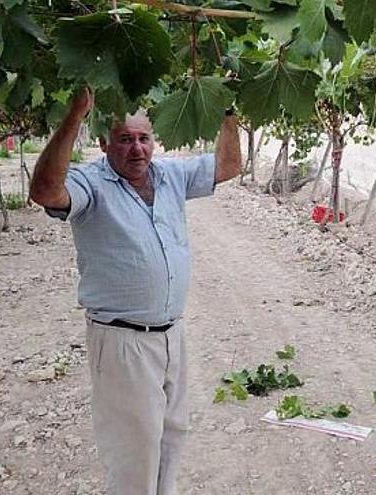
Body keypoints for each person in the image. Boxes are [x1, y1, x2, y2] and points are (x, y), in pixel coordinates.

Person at [29, 87, 241, 495]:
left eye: (143, 138)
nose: (137, 149)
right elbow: (45, 192)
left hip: (170, 335)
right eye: (125, 139)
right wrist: (74, 116)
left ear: (154, 141)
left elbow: (229, 165)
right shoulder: (90, 183)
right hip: (123, 341)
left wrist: (225, 104)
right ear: (104, 142)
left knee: (170, 438)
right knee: (134, 453)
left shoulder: (170, 175)